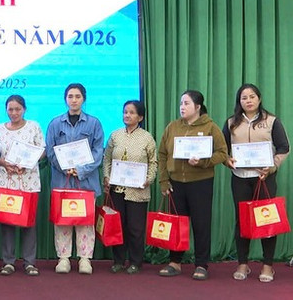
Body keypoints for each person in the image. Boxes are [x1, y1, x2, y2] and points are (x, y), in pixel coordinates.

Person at [157, 89, 228, 281]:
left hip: (201, 183)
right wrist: (164, 180)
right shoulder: (172, 127)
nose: (182, 107)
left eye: (186, 103)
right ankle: (175, 262)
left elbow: (222, 153)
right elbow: (162, 154)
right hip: (176, 184)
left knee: (201, 224)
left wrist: (204, 162)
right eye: (181, 103)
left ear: (197, 107)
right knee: (177, 224)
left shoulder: (211, 127)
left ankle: (201, 264)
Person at [223, 84, 289, 283]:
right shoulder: (231, 122)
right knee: (242, 221)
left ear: (259, 99)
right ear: (239, 101)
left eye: (252, 97)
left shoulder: (272, 121)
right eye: (244, 98)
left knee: (266, 220)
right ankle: (242, 263)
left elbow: (284, 147)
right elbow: (221, 149)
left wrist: (272, 167)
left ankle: (267, 265)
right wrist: (227, 160)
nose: (248, 100)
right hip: (240, 179)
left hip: (265, 178)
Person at [45, 83, 104, 275]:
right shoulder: (55, 123)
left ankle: (85, 259)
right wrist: (65, 167)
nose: (74, 100)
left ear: (83, 99)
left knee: (85, 220)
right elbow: (50, 150)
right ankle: (63, 259)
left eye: (77, 96)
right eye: (70, 96)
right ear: (65, 99)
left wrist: (80, 169)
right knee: (63, 220)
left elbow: (98, 152)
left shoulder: (94, 123)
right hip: (62, 181)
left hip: (85, 181)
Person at [0, 94, 44, 276]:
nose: (14, 113)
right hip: (7, 182)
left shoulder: (34, 127)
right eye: (10, 109)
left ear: (24, 110)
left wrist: (27, 163)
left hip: (29, 182)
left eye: (17, 109)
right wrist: (4, 163)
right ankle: (8, 262)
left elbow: (42, 151)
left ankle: (29, 262)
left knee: (29, 223)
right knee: (8, 222)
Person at [102, 100, 157, 274]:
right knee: (118, 226)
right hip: (117, 189)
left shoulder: (147, 137)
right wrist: (106, 177)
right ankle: (118, 260)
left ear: (140, 117)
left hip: (137, 190)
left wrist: (148, 179)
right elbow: (107, 158)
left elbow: (153, 162)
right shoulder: (115, 135)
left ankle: (135, 262)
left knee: (136, 228)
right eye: (125, 112)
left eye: (132, 113)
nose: (127, 115)